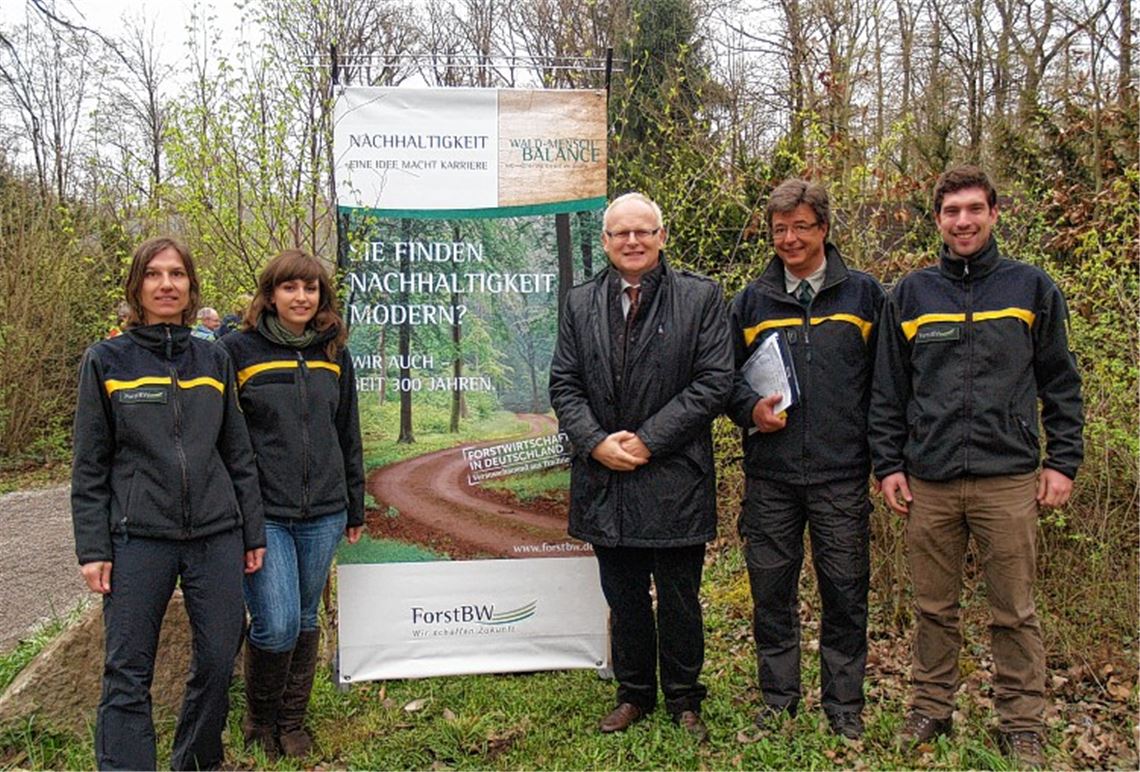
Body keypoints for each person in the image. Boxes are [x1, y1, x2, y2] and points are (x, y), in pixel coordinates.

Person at [870, 166, 1083, 767]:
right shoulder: (911, 295)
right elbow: (888, 391)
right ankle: (930, 708)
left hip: (1008, 480)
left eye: (973, 210)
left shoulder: (1031, 288)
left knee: (1014, 611)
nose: (962, 222)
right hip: (930, 481)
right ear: (937, 219)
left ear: (993, 214)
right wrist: (888, 464)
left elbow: (1061, 383)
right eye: (951, 212)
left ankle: (1022, 722)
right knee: (934, 609)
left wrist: (1063, 462)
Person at [71, 237, 266, 771]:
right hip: (138, 536)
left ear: (190, 286)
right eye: (154, 274)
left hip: (215, 533)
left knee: (220, 656)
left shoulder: (213, 358)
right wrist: (93, 547)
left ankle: (196, 760)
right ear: (137, 287)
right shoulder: (106, 360)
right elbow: (89, 464)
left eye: (176, 274)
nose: (165, 284)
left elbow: (237, 452)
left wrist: (252, 532)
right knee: (127, 669)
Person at [548, 192, 733, 742]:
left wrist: (649, 440)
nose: (632, 241)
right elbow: (564, 383)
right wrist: (594, 442)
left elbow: (714, 382)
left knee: (678, 598)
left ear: (661, 237)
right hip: (605, 477)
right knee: (624, 596)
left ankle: (684, 697)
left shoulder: (701, 297)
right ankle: (633, 693)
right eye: (621, 233)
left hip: (675, 476)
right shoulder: (580, 302)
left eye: (643, 231)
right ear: (605, 241)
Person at [726, 179, 885, 739]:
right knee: (771, 593)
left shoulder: (864, 296)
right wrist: (749, 410)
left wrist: (884, 461)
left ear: (824, 229)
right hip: (771, 477)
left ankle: (844, 705)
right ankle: (778, 701)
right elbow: (724, 380)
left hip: (841, 475)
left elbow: (886, 384)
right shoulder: (750, 302)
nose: (789, 239)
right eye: (779, 230)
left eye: (801, 227)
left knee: (845, 591)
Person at [217, 250, 365, 758]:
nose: (301, 297)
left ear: (322, 296)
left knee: (304, 617)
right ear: (270, 294)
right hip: (265, 513)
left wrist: (355, 503)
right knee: (276, 622)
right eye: (289, 287)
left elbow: (347, 431)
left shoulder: (334, 353)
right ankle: (259, 721)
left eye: (311, 288)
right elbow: (226, 438)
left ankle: (292, 722)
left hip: (324, 511)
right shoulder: (237, 351)